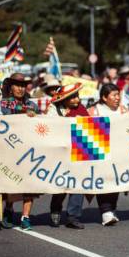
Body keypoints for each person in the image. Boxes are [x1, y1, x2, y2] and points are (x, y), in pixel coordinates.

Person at [0, 73, 40, 231]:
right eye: (17, 85)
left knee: (29, 185)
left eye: (23, 85)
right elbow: (6, 118)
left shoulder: (32, 105)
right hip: (11, 148)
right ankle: (9, 208)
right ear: (11, 87)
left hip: (29, 149)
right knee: (12, 183)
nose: (20, 88)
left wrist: (34, 116)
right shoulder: (5, 103)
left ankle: (25, 217)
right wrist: (25, 113)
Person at [45, 83, 87, 229]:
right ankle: (56, 209)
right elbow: (50, 127)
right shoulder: (53, 110)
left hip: (78, 151)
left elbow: (88, 127)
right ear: (65, 99)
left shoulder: (81, 109)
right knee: (61, 182)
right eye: (73, 97)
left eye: (77, 96)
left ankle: (73, 217)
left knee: (78, 184)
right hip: (60, 152)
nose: (77, 99)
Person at [88, 83, 128, 226]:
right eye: (114, 95)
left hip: (118, 152)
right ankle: (105, 212)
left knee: (115, 181)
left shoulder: (124, 111)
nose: (118, 98)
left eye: (119, 95)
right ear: (104, 98)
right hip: (100, 152)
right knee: (103, 181)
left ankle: (112, 209)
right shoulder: (93, 111)